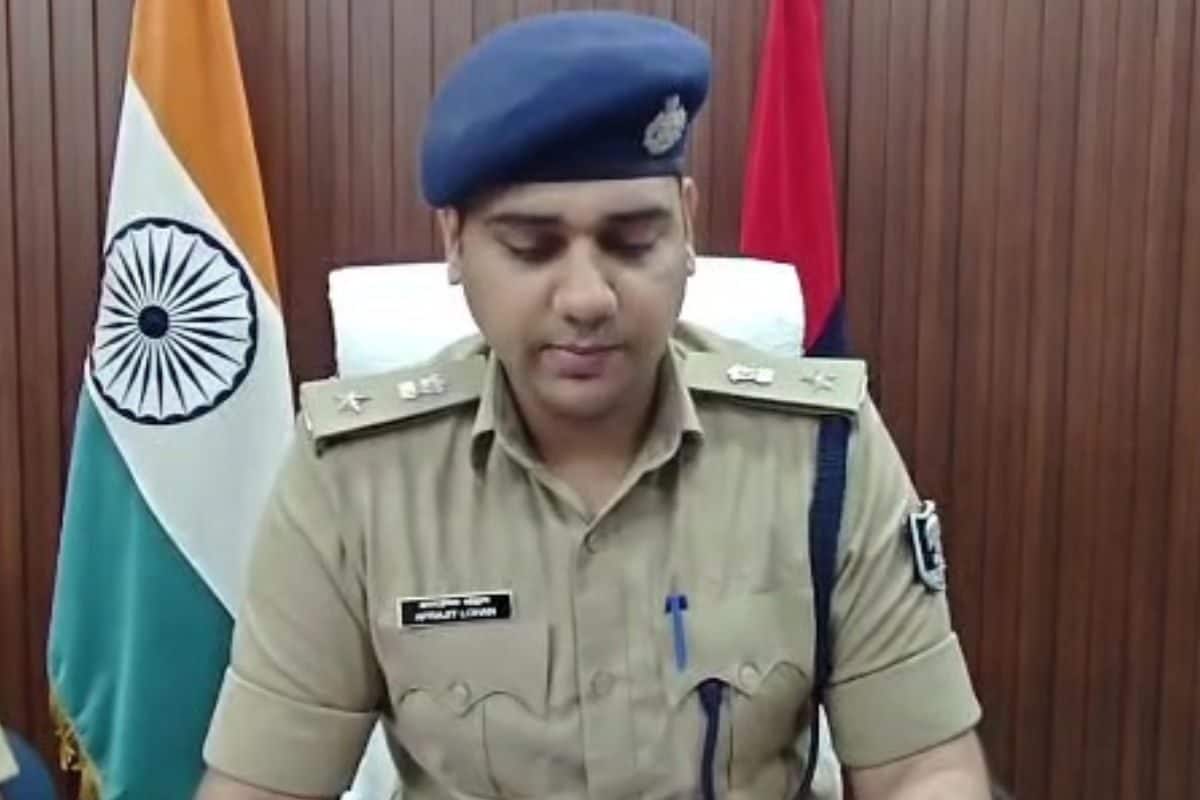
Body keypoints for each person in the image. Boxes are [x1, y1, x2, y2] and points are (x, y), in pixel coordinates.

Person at [197, 10, 989, 800]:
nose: (587, 298)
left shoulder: (822, 454)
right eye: (532, 247)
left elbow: (923, 769)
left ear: (687, 227)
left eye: (632, 241)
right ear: (453, 242)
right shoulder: (354, 481)